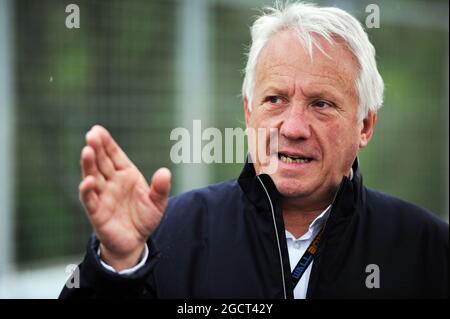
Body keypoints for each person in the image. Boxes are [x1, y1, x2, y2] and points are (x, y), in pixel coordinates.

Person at [60, 2, 448, 299]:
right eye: (275, 99)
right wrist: (117, 266)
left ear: (365, 125)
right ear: (249, 113)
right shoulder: (164, 237)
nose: (293, 128)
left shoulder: (429, 251)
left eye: (321, 104)